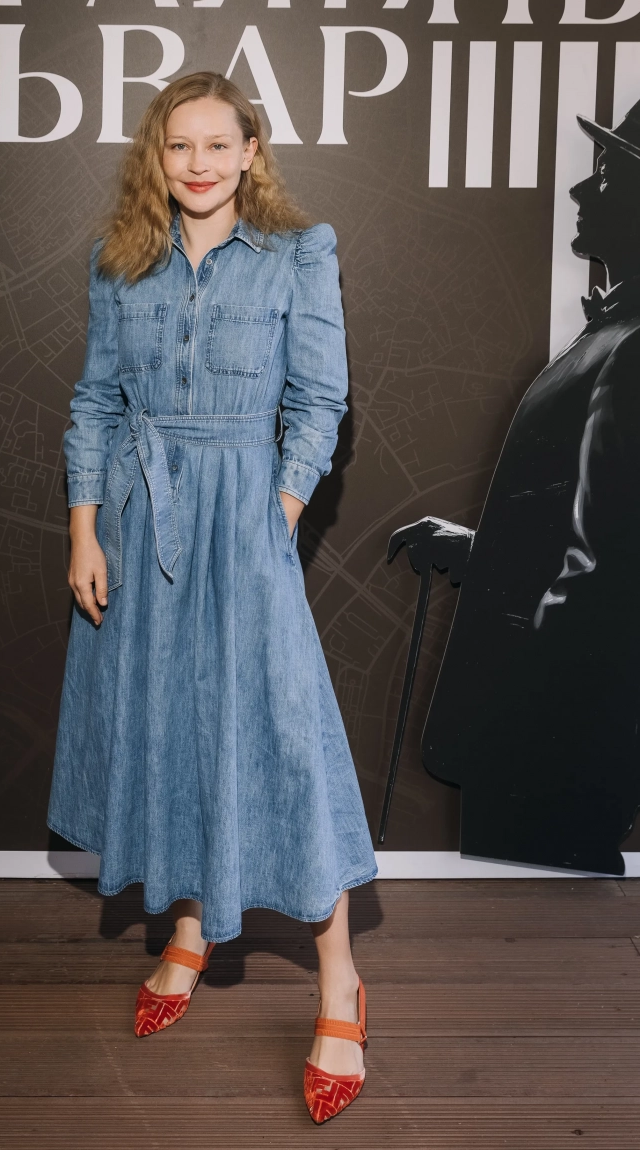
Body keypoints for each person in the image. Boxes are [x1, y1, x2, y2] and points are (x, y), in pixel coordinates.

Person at [47, 71, 377, 1123]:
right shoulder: (119, 261)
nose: (198, 163)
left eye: (217, 144)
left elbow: (319, 399)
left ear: (250, 153)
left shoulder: (297, 252)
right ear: (159, 155)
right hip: (137, 519)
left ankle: (340, 981)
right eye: (179, 145)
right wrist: (85, 528)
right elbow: (95, 401)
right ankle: (188, 929)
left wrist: (276, 513)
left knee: (280, 737)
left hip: (245, 518)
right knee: (169, 726)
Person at [396, 99, 640, 875]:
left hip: (548, 740)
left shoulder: (630, 350)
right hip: (545, 738)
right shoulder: (611, 337)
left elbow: (602, 571)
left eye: (607, 177)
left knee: (540, 903)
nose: (582, 191)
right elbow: (579, 535)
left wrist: (516, 708)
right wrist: (479, 550)